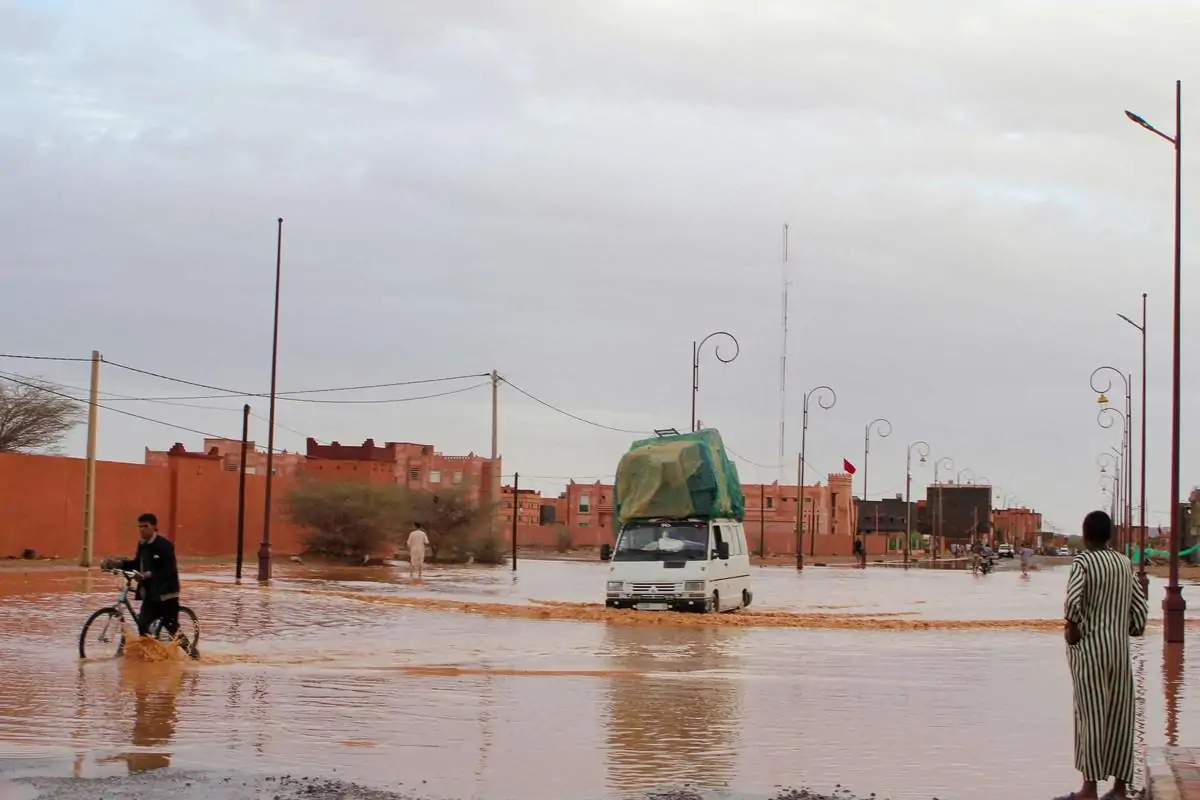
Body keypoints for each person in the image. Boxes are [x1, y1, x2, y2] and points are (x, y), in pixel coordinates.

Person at [1058, 510, 1148, 800]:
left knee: (1091, 716)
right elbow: (1140, 611)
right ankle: (1120, 789)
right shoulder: (1124, 564)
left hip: (1090, 653)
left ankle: (1090, 789)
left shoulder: (1084, 562)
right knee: (1121, 716)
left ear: (1085, 535)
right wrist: (1130, 628)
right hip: (1119, 653)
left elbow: (1073, 602)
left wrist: (1072, 630)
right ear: (1109, 535)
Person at [100, 513, 182, 642]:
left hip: (167, 594)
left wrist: (147, 574)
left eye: (145, 526)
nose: (142, 529)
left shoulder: (165, 545)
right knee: (142, 625)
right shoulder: (142, 544)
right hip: (151, 593)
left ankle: (193, 655)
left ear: (154, 527)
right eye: (139, 526)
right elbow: (137, 564)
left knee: (173, 631)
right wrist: (118, 564)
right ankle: (150, 655)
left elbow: (169, 570)